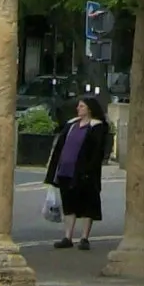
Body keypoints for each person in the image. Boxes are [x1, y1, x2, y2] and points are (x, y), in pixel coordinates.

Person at [45, 96, 112, 250]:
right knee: (69, 204)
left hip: (85, 172)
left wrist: (89, 169)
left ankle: (84, 238)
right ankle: (67, 237)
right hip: (66, 170)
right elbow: (60, 146)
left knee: (88, 203)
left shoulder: (97, 127)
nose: (78, 108)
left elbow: (97, 151)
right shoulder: (71, 125)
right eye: (78, 106)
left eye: (81, 106)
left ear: (89, 109)